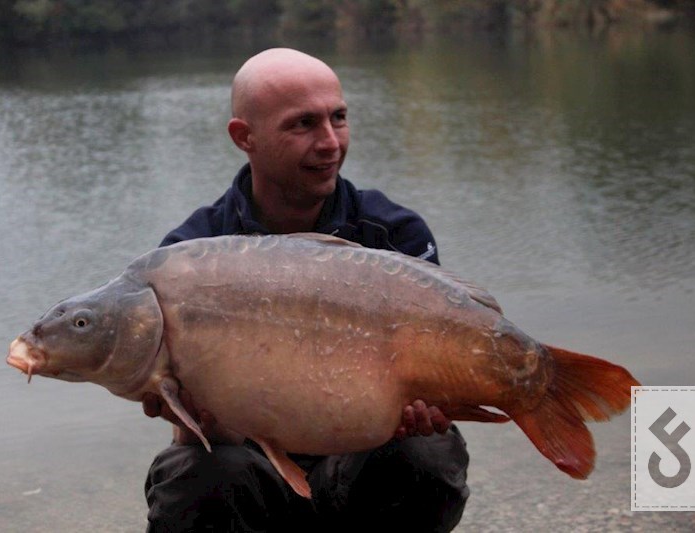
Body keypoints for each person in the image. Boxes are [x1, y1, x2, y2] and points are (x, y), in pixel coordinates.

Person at [141, 48, 469, 532]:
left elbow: (435, 376)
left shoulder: (393, 234)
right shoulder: (188, 257)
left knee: (427, 452)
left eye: (338, 118)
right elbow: (194, 439)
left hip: (362, 464)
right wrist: (198, 420)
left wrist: (430, 405)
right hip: (252, 474)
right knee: (198, 473)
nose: (330, 142)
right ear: (244, 137)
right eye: (303, 125)